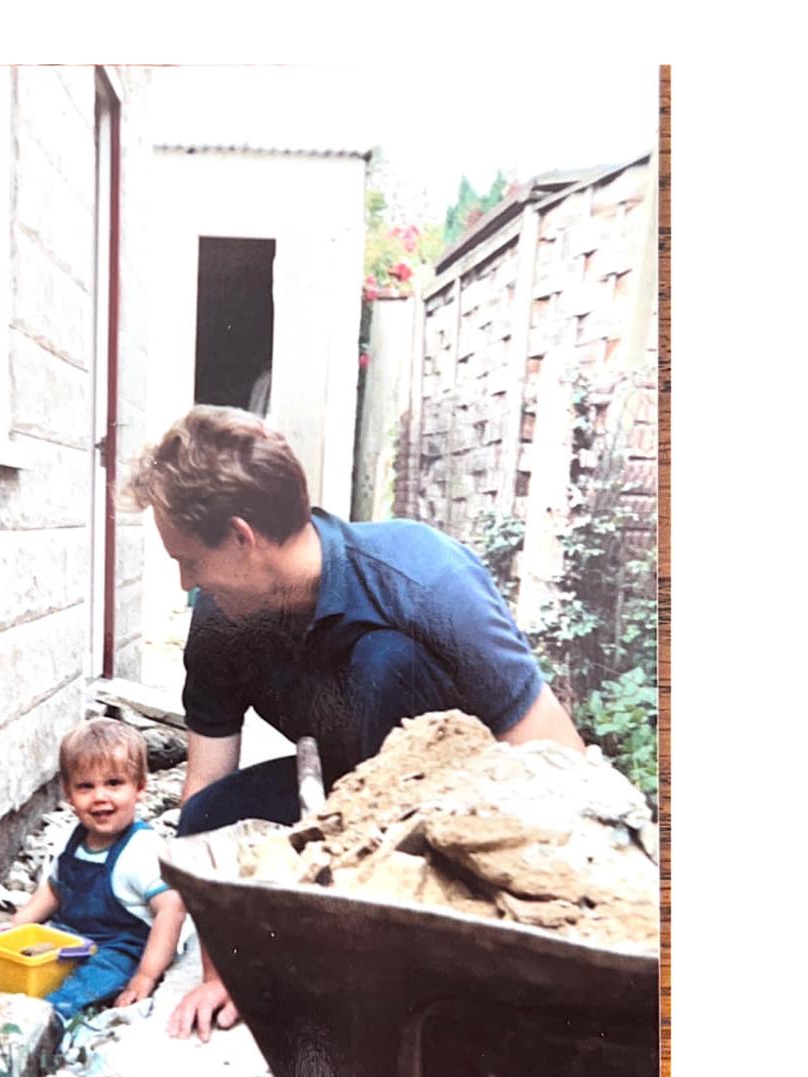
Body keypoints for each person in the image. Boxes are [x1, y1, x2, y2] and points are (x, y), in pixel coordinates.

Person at [127, 405, 584, 1042]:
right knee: (208, 819)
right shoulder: (220, 624)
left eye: (190, 561)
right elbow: (204, 790)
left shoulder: (425, 581)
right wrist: (224, 963)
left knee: (383, 661)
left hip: (454, 823)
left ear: (240, 536)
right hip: (345, 799)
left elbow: (557, 760)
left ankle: (385, 967)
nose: (185, 581)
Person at [0, 719, 185, 1019]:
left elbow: (171, 910)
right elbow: (54, 889)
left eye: (114, 784)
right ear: (69, 793)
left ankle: (50, 1014)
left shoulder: (142, 849)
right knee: (4, 954)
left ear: (140, 787)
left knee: (98, 974)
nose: (100, 796)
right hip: (68, 937)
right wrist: (19, 925)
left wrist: (147, 974)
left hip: (119, 944)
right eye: (86, 787)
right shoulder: (71, 839)